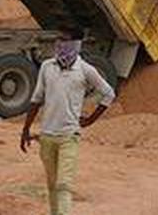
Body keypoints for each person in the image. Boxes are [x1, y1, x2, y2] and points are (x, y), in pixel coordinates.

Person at [20, 27, 116, 215]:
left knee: (64, 185)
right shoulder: (47, 67)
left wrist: (90, 120)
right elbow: (36, 99)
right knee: (52, 185)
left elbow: (108, 94)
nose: (59, 43)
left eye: (64, 40)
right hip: (46, 137)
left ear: (75, 44)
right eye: (58, 39)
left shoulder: (85, 70)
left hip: (69, 137)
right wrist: (26, 129)